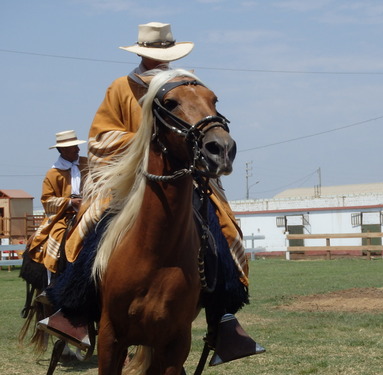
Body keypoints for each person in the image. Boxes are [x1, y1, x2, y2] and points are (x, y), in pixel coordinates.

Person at [39, 22, 262, 363]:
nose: (161, 61)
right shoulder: (121, 88)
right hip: (129, 180)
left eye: (166, 56)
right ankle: (75, 311)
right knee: (91, 225)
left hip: (185, 174)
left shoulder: (188, 85)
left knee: (224, 227)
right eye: (155, 55)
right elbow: (100, 139)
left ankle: (224, 318)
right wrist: (145, 139)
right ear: (142, 53)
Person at [28, 130, 87, 281]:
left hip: (90, 210)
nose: (78, 149)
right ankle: (50, 283)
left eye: (76, 146)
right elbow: (47, 200)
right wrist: (69, 202)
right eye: (74, 147)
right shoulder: (53, 174)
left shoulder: (87, 164)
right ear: (63, 150)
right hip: (65, 216)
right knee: (55, 238)